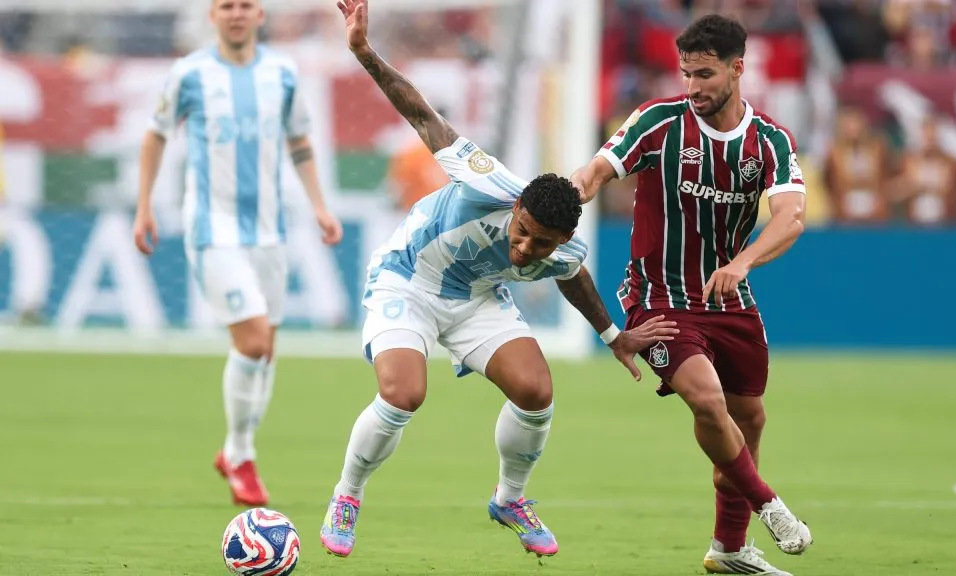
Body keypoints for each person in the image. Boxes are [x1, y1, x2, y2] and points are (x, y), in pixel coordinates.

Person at [320, 0, 677, 560]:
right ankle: (347, 495)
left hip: (474, 300)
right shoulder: (488, 182)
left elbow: (573, 275)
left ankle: (510, 499)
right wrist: (366, 52)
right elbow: (421, 115)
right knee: (403, 393)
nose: (525, 247)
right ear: (518, 209)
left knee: (536, 391)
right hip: (408, 281)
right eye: (524, 231)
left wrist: (614, 337)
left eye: (541, 243)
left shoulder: (562, 249)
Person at [571, 14, 812, 576]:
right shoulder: (657, 123)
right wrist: (567, 194)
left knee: (748, 418)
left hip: (729, 300)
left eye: (704, 74)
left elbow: (792, 218)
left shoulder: (769, 140)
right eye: (685, 74)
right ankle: (769, 505)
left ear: (737, 68)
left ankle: (729, 550)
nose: (693, 87)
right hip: (657, 298)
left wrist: (742, 261)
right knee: (707, 400)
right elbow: (597, 172)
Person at [132, 0, 343, 507]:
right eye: (226, 5)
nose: (236, 14)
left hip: (269, 232)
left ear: (260, 15)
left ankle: (236, 452)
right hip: (212, 228)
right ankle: (241, 454)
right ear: (212, 15)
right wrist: (144, 208)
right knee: (251, 342)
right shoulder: (190, 74)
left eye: (245, 5)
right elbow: (155, 136)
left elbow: (300, 141)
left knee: (264, 349)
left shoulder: (282, 73)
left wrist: (319, 206)